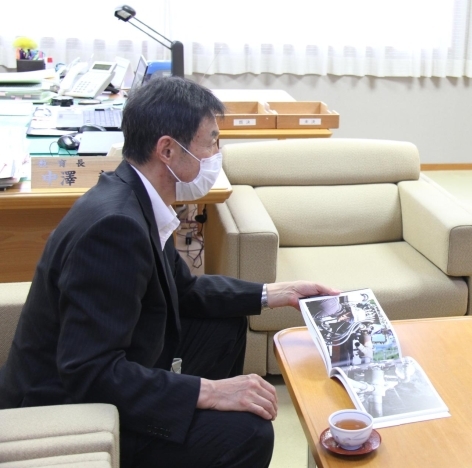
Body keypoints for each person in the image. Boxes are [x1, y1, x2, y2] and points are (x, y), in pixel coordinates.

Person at [0, 77, 338, 468]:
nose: (217, 153)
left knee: (222, 324)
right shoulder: (115, 229)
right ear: (167, 150)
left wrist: (276, 293)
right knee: (249, 434)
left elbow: (184, 289)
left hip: (107, 365)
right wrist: (207, 391)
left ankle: (185, 431)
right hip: (65, 407)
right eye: (211, 141)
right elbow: (88, 372)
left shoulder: (136, 197)